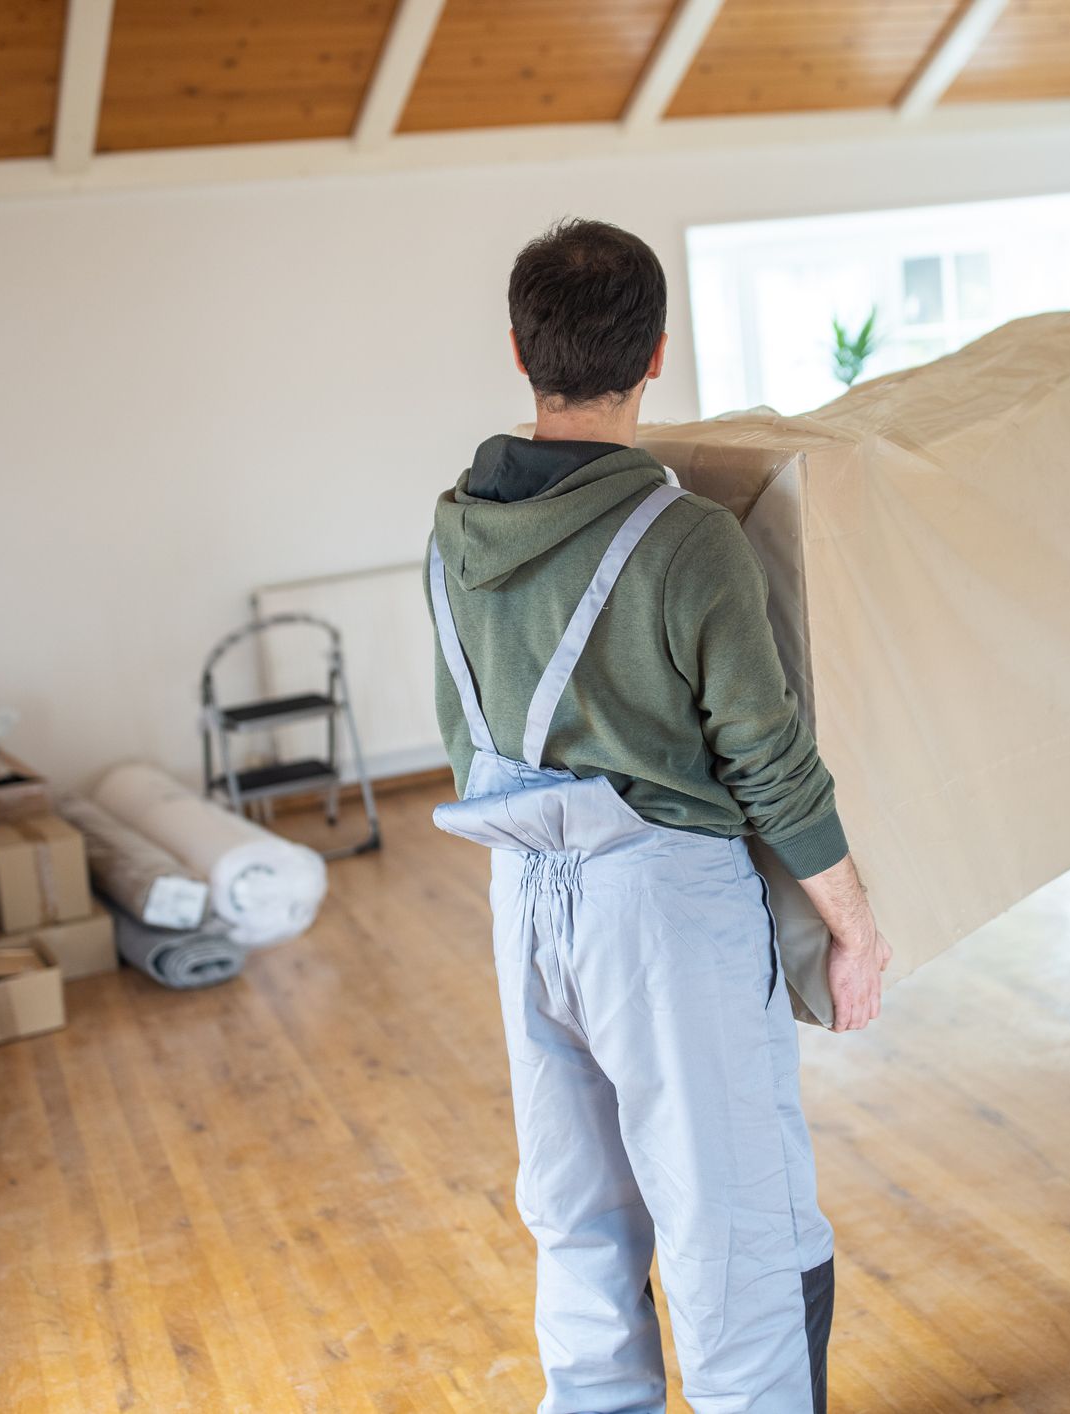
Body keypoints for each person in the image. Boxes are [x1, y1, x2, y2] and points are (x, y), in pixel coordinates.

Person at [426, 217, 892, 1412]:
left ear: (520, 350)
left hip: (520, 892)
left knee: (576, 1213)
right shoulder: (686, 539)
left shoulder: (451, 530)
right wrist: (852, 921)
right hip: (662, 909)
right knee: (733, 1223)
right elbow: (769, 756)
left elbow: (459, 734)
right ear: (657, 355)